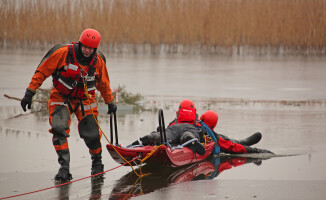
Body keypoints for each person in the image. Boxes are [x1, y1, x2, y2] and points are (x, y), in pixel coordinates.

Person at [20, 28, 117, 182]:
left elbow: (104, 84)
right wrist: (29, 93)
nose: (86, 50)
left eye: (90, 48)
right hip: (61, 96)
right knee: (58, 129)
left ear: (95, 49)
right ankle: (64, 168)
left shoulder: (98, 62)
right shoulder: (63, 53)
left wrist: (110, 101)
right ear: (80, 44)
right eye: (84, 46)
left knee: (92, 133)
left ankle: (97, 164)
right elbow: (41, 72)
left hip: (85, 99)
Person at [131, 99, 273, 155]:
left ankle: (150, 138)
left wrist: (158, 134)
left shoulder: (173, 122)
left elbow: (161, 130)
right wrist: (258, 151)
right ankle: (190, 141)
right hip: (192, 134)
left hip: (171, 132)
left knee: (163, 135)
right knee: (230, 141)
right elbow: (231, 147)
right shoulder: (202, 127)